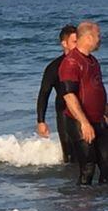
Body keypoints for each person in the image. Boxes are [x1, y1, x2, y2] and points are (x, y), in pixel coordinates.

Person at [59, 21, 108, 185]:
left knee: (106, 164)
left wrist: (105, 112)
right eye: (98, 36)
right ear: (88, 37)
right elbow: (69, 96)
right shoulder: (71, 62)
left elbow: (97, 88)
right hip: (79, 121)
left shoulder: (92, 60)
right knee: (88, 167)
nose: (100, 39)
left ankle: (100, 206)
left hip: (98, 120)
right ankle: (80, 207)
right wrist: (84, 123)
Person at [36, 25, 77, 163]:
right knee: (70, 156)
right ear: (64, 44)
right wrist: (41, 121)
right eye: (74, 42)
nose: (78, 46)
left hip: (85, 112)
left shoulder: (86, 63)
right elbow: (44, 94)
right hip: (64, 114)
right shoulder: (54, 67)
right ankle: (70, 184)